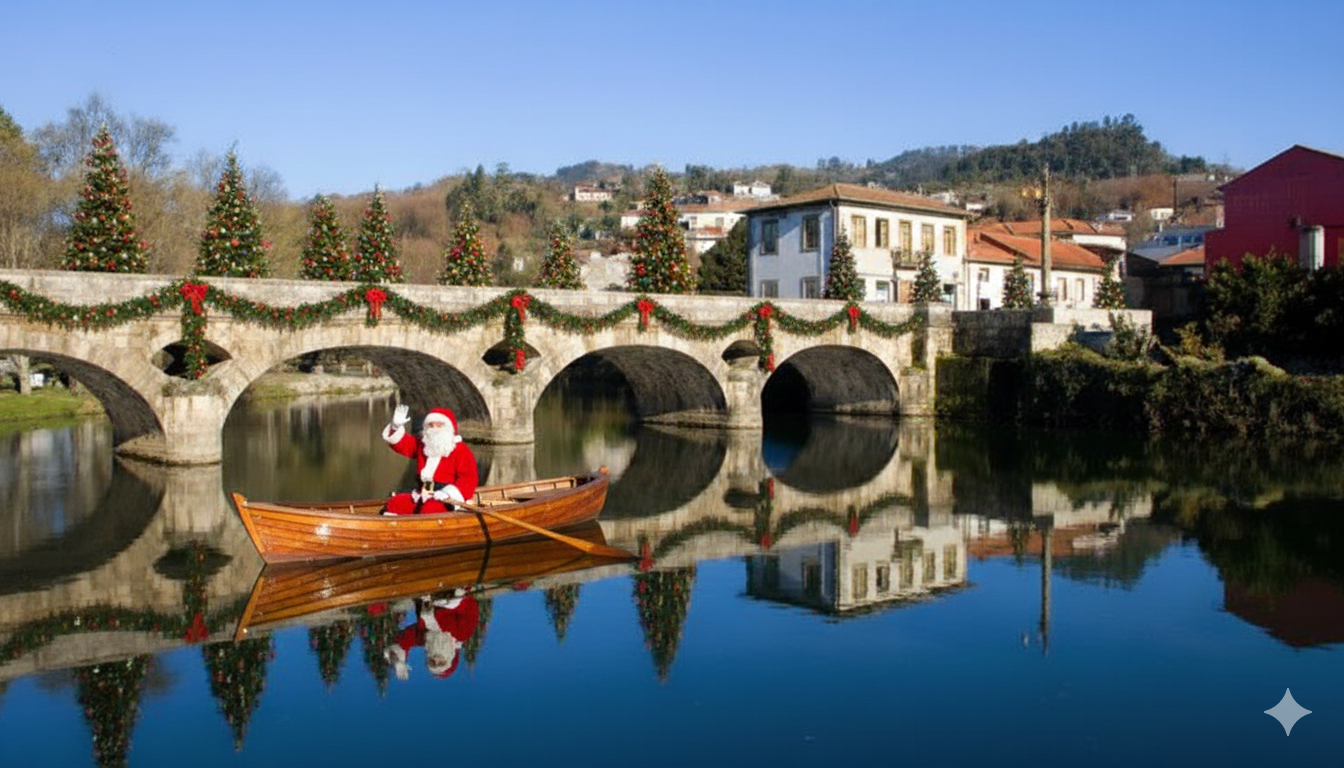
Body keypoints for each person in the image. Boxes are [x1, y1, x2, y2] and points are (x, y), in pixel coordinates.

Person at [381, 404, 479, 515]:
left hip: (448, 499)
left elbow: (469, 479)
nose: (434, 429)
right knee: (396, 503)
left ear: (449, 428)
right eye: (431, 425)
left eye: (439, 425)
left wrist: (448, 494)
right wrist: (395, 427)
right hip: (423, 493)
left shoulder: (460, 450)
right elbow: (403, 443)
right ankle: (394, 528)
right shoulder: (424, 445)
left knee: (430, 509)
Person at [384, 589, 480, 680]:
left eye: (432, 663)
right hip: (448, 587)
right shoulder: (462, 633)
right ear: (450, 656)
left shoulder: (424, 638)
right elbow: (470, 607)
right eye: (441, 663)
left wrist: (397, 661)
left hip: (421, 589)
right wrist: (449, 602)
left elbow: (402, 642)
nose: (436, 659)